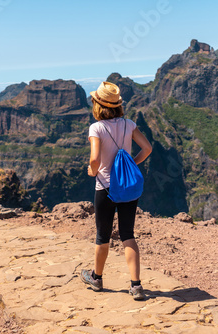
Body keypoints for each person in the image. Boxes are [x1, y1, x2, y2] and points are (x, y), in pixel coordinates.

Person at [80, 81, 152, 300]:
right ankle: (136, 285)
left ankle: (97, 278)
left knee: (103, 235)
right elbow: (147, 148)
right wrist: (131, 166)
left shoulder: (97, 128)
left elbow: (94, 159)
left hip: (106, 188)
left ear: (98, 105)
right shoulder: (129, 124)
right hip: (128, 187)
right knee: (128, 234)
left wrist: (93, 172)